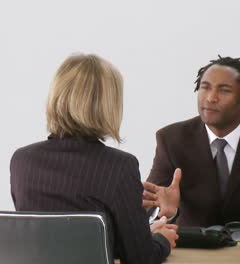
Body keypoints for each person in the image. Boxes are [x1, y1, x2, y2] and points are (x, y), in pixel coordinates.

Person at [10, 54, 178, 264]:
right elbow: (140, 258)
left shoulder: (22, 161)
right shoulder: (119, 166)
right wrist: (161, 239)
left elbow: (55, 238)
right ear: (109, 105)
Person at [142, 56, 240, 226]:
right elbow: (150, 203)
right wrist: (166, 212)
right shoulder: (171, 139)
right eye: (205, 88)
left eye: (224, 90)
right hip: (192, 246)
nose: (210, 98)